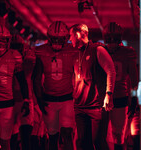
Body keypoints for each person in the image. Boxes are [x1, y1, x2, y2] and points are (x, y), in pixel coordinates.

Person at [69, 24, 116, 150]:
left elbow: (111, 70)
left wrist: (109, 94)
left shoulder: (97, 49)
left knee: (98, 142)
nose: (70, 38)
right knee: (82, 143)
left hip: (96, 106)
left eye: (71, 35)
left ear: (78, 34)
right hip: (80, 106)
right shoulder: (76, 54)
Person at [32, 21, 76, 150]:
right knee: (52, 136)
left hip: (67, 98)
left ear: (66, 38)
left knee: (67, 134)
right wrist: (39, 99)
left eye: (59, 39)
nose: (57, 41)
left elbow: (80, 75)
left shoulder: (73, 51)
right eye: (54, 38)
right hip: (49, 99)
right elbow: (37, 78)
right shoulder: (41, 52)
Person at [100, 22, 139, 150]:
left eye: (114, 38)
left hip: (120, 97)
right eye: (109, 38)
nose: (111, 42)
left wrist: (133, 97)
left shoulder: (127, 53)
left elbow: (134, 78)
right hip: (103, 98)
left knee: (118, 135)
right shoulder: (100, 51)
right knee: (102, 136)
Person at [10, 34, 35, 150]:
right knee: (19, 135)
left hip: (20, 100)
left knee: (21, 135)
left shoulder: (29, 61)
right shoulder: (30, 61)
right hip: (17, 100)